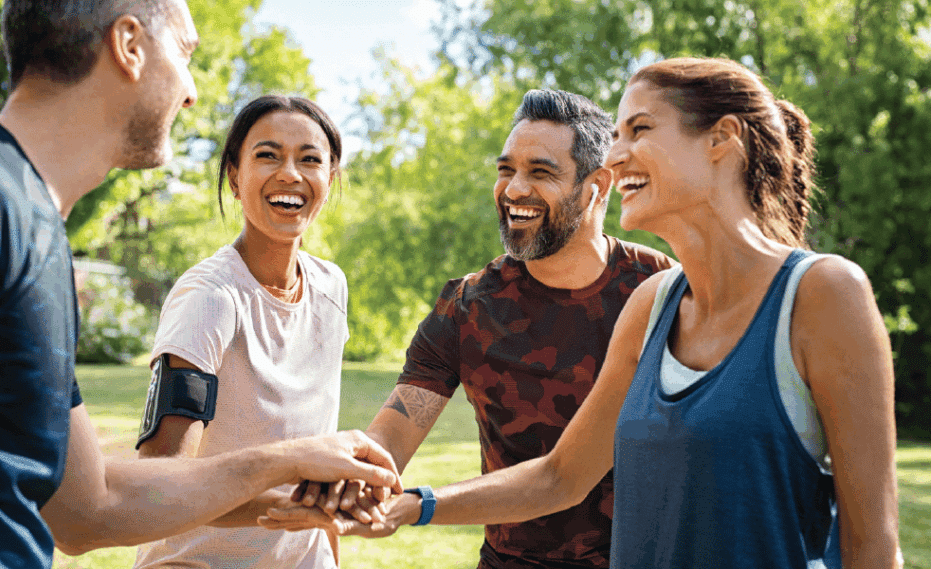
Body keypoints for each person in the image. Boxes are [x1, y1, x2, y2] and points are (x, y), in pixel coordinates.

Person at [266, 58, 901, 568]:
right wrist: (369, 494)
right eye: (507, 170)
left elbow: (872, 545)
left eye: (639, 131)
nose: (618, 155)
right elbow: (555, 476)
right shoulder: (616, 308)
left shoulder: (797, 294)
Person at [0, 3, 400, 568]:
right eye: (185, 52)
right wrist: (293, 460)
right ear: (129, 44)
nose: (190, 92)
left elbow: (90, 510)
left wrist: (299, 468)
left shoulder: (38, 236)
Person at [275, 89, 674, 568]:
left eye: (540, 172)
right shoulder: (467, 307)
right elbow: (388, 443)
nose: (513, 190)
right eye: (506, 170)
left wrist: (418, 505)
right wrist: (340, 484)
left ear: (598, 185)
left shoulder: (663, 291)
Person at [131, 95, 357, 569]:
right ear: (235, 177)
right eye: (268, 155)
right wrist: (297, 508)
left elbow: (319, 451)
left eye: (310, 159)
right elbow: (161, 482)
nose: (290, 174)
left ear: (330, 179)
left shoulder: (331, 288)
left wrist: (324, 538)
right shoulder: (209, 299)